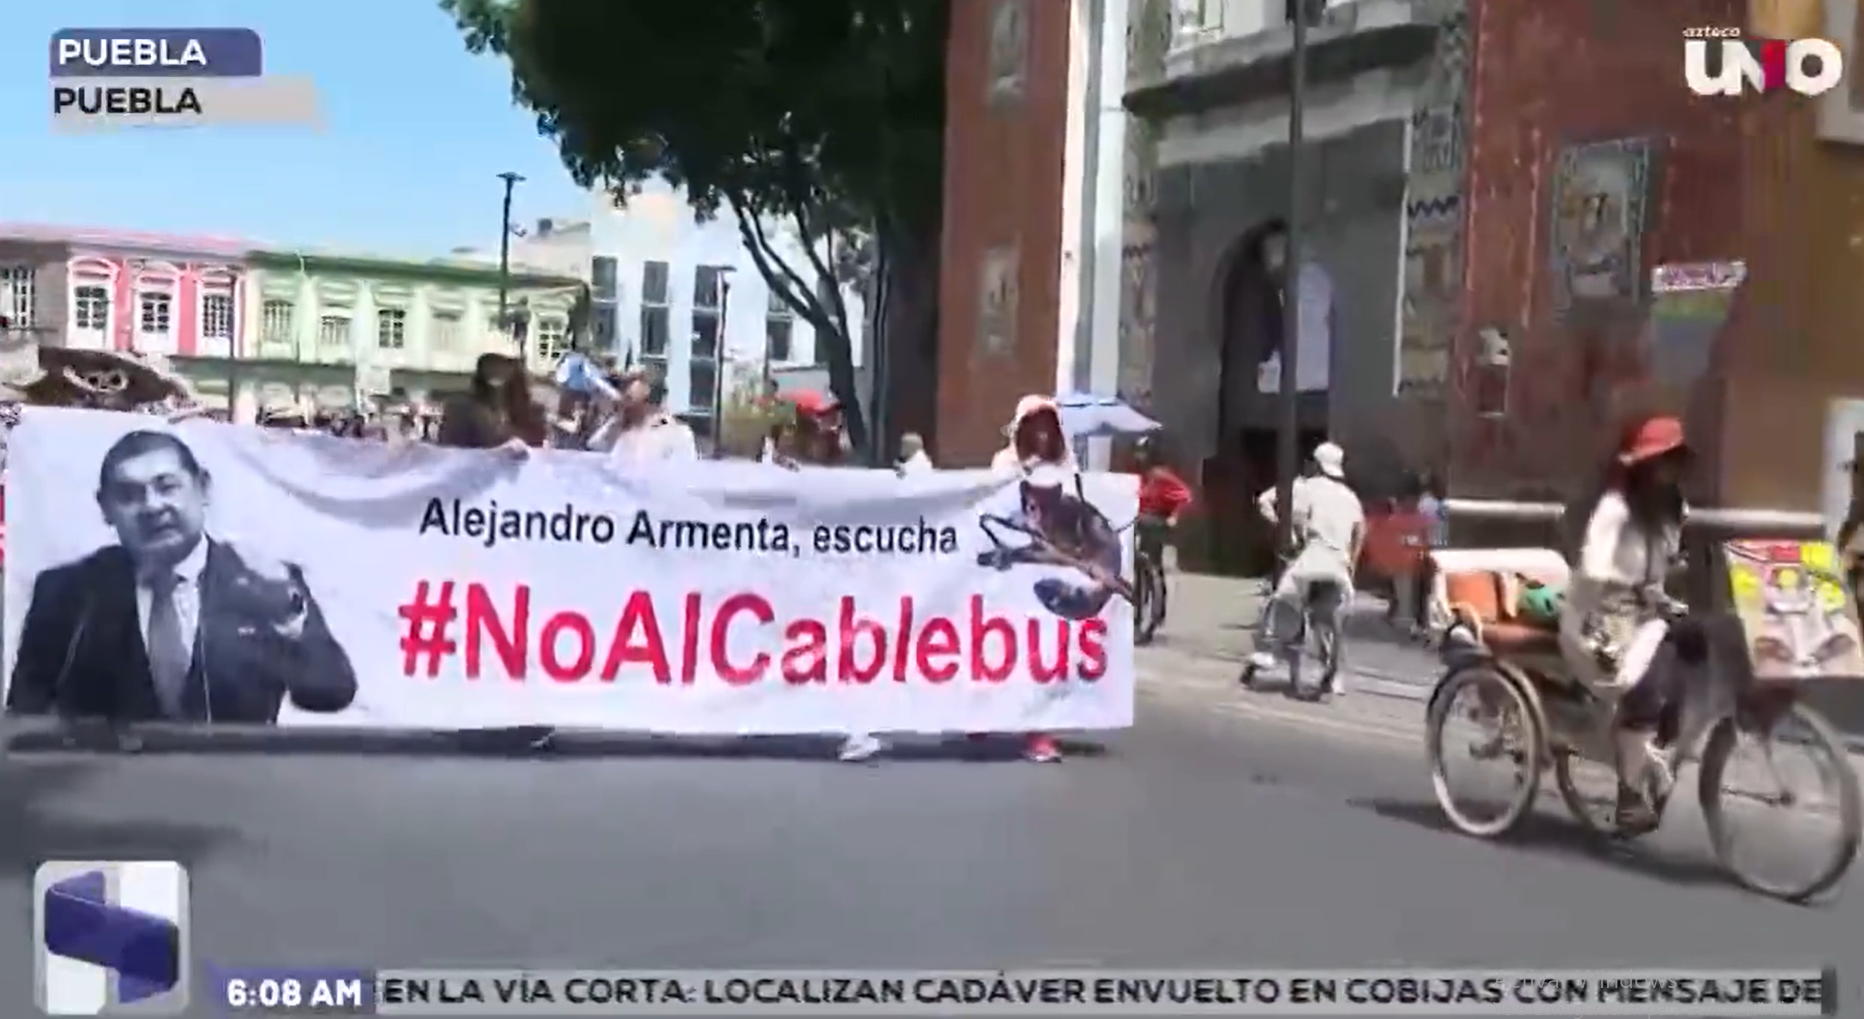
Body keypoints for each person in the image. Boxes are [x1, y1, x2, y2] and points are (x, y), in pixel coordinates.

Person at [7, 430, 357, 724]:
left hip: (237, 792)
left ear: (203, 488)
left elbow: (331, 694)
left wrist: (286, 614)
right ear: (106, 508)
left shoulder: (262, 581)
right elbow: (26, 714)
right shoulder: (69, 592)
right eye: (129, 495)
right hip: (104, 796)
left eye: (167, 486)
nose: (152, 506)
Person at [1557, 415, 1692, 832]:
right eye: (1661, 463)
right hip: (1597, 620)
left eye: (1673, 462)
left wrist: (1658, 593)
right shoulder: (1614, 510)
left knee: (1693, 658)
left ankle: (1649, 756)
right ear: (1641, 468)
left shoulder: (1672, 509)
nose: (1667, 473)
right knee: (1646, 688)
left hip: (1644, 613)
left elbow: (1667, 562)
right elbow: (1594, 569)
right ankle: (1630, 794)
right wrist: (1628, 590)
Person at [986, 395, 1079, 762]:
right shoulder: (1004, 462)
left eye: (1048, 425)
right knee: (1002, 646)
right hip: (1014, 569)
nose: (1042, 433)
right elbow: (994, 504)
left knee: (1046, 650)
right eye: (1034, 425)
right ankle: (981, 711)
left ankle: (1039, 732)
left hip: (1051, 568)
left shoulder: (1067, 464)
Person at [1248, 441, 1366, 697]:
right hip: (1339, 565)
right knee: (1328, 618)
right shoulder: (1350, 496)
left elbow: (1299, 520)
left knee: (1283, 598)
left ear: (1316, 464)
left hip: (1313, 558)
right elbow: (1360, 530)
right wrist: (1351, 565)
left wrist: (1297, 541)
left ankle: (1269, 650)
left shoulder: (1307, 488)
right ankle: (1336, 676)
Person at [436, 353, 543, 456]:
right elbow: (448, 450)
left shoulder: (533, 411)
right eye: (490, 363)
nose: (496, 369)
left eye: (504, 363)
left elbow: (537, 452)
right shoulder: (461, 408)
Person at [588, 370, 698, 466]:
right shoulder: (619, 428)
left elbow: (685, 475)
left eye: (628, 399)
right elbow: (594, 449)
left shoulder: (677, 432)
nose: (621, 403)